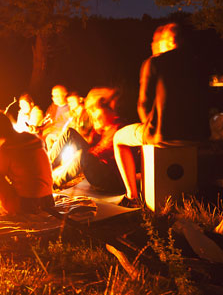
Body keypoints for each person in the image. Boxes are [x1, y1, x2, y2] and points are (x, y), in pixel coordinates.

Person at [113, 23, 212, 201]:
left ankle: (132, 195)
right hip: (199, 134)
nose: (155, 45)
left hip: (162, 135)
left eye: (158, 41)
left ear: (169, 41)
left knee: (118, 138)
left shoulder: (155, 62)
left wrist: (147, 128)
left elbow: (143, 104)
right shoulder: (201, 64)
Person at [49, 88, 126, 194]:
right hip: (97, 167)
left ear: (108, 109)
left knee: (84, 155)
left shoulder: (118, 128)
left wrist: (63, 168)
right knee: (69, 132)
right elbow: (90, 144)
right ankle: (44, 166)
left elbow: (95, 153)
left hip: (110, 180)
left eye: (94, 111)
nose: (93, 115)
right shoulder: (103, 126)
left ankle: (50, 183)